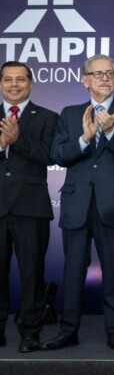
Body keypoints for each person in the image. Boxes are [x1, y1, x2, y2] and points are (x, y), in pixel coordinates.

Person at [43, 55, 114, 351]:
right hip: (77, 203)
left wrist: (111, 133)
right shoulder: (69, 113)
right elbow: (59, 155)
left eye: (110, 73)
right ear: (84, 79)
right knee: (73, 269)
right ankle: (68, 330)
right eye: (98, 74)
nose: (105, 78)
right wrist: (85, 138)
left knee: (113, 270)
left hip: (112, 203)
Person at [0, 62, 58, 352]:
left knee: (32, 273)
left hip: (31, 207)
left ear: (31, 84)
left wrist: (17, 140)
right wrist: (2, 145)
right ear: (1, 83)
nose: (14, 85)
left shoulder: (48, 117)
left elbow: (50, 155)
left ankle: (30, 332)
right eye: (8, 79)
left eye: (20, 80)